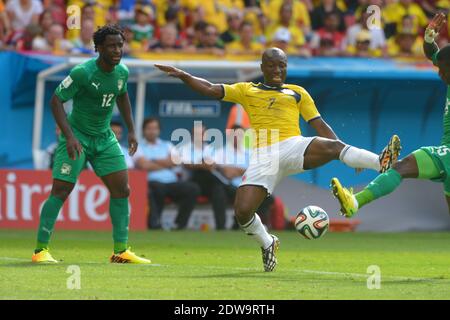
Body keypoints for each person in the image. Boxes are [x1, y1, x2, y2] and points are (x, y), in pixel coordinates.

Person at [154, 47, 401, 272]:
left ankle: (380, 162)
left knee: (334, 146)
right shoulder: (246, 90)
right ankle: (268, 241)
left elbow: (319, 124)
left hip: (293, 146)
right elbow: (210, 88)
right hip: (264, 157)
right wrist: (184, 75)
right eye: (271, 65)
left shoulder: (297, 93)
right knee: (242, 212)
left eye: (282, 65)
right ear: (262, 68)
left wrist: (343, 151)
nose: (277, 70)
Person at [31, 24, 151, 264]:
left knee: (122, 190)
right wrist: (70, 136)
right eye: (112, 46)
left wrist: (132, 130)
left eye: (120, 45)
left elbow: (123, 95)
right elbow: (56, 101)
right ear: (98, 48)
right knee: (61, 191)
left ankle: (121, 251)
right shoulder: (82, 72)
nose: (117, 50)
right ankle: (40, 251)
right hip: (76, 137)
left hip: (105, 138)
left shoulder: (122, 72)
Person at [331, 13, 450, 218]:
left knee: (402, 166)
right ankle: (355, 202)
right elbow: (433, 54)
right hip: (445, 150)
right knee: (400, 167)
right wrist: (429, 38)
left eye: (443, 70)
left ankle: (356, 201)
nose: (439, 74)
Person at [134, 117, 200, 230]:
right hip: (151, 182)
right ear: (144, 130)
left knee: (193, 188)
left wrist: (153, 160)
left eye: (155, 128)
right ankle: (155, 223)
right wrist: (166, 162)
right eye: (149, 128)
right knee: (157, 188)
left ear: (159, 130)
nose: (152, 131)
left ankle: (179, 224)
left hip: (171, 182)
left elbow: (176, 161)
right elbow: (144, 166)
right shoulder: (138, 146)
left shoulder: (167, 144)